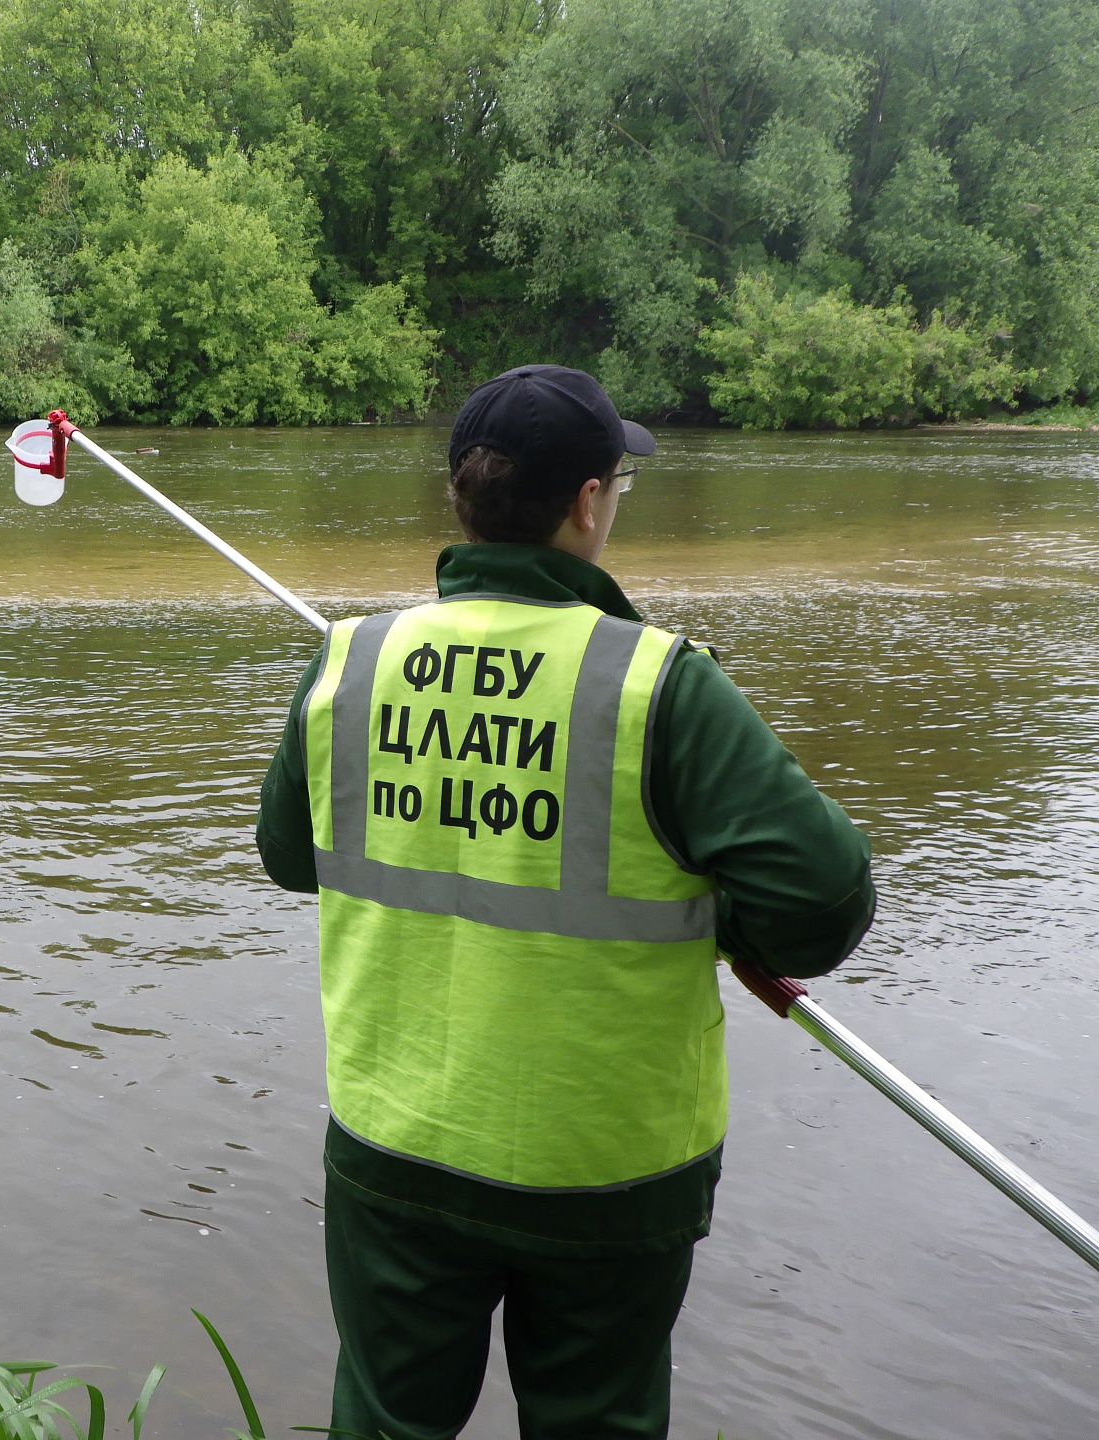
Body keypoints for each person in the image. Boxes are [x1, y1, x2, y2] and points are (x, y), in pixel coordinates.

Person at [254, 365, 875, 1440]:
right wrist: (721, 919)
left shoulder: (350, 659)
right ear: (588, 503)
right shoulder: (662, 685)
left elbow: (289, 858)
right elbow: (825, 907)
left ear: (463, 497)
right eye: (618, 485)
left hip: (395, 1147)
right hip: (607, 1171)